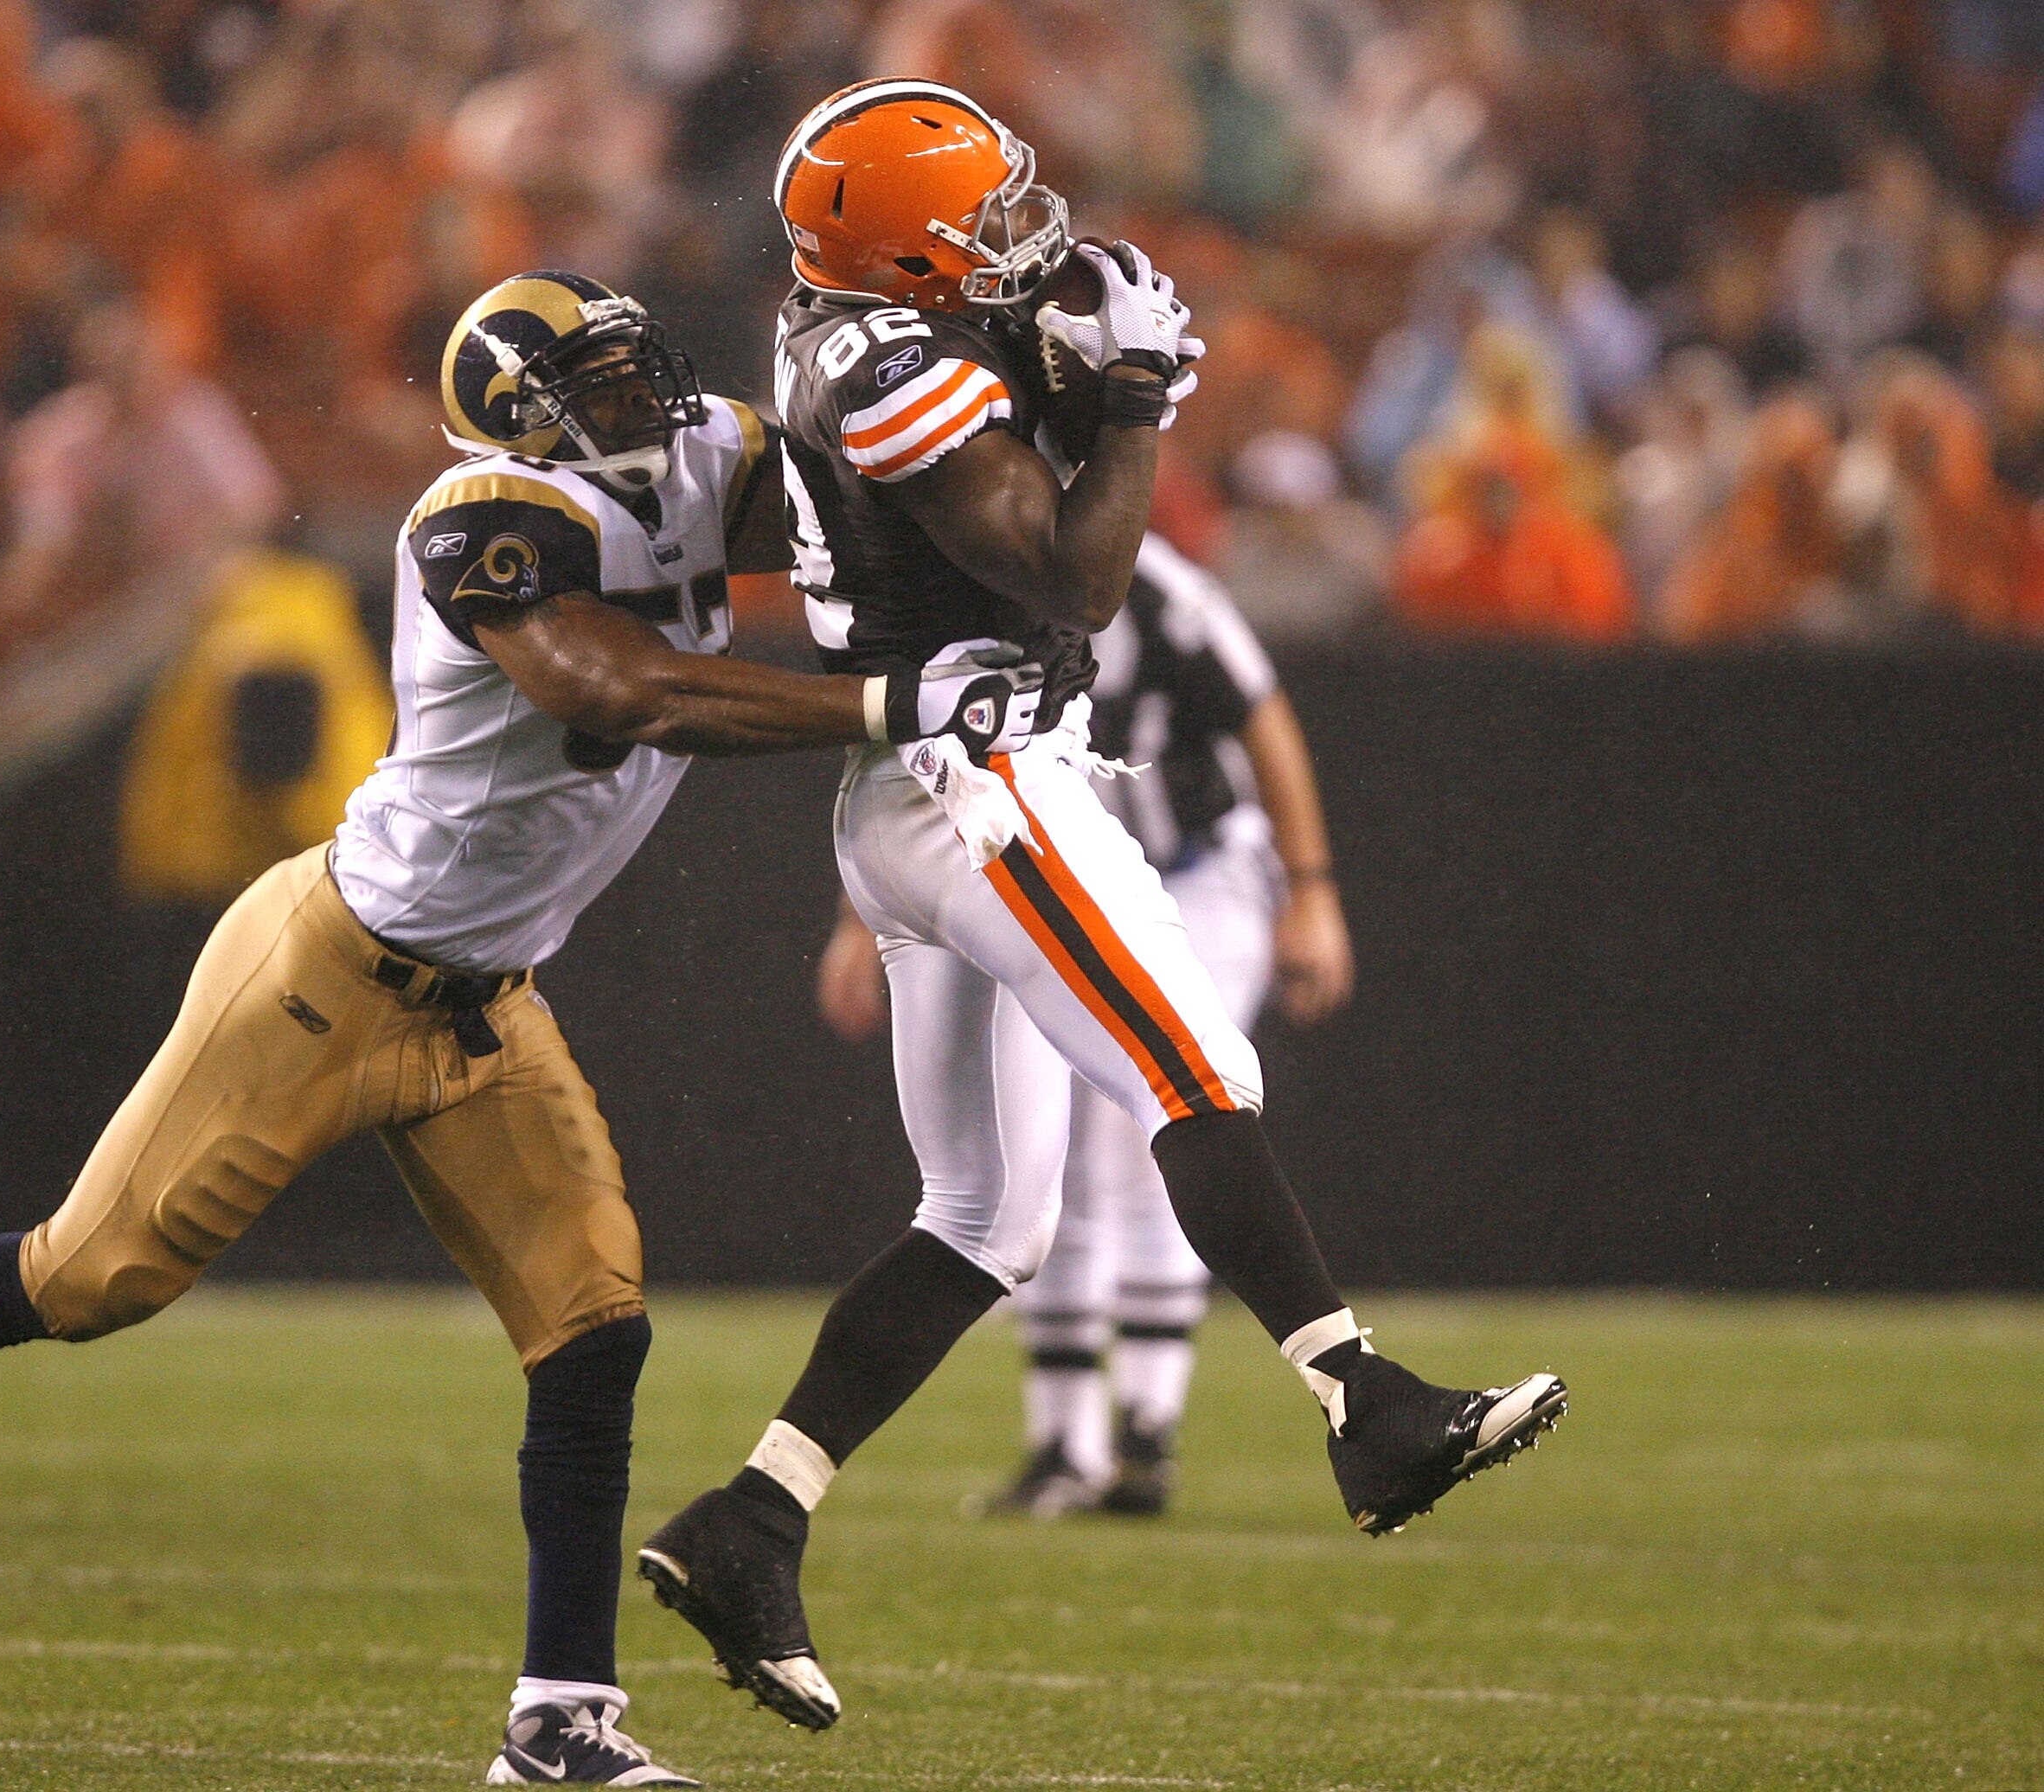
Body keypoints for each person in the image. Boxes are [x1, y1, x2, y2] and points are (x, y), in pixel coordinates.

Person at [0, 271, 1068, 1786]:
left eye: (638, 372)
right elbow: (622, 686)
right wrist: (891, 708)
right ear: (520, 426)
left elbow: (864, 508)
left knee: (594, 1326)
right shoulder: (480, 523)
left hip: (489, 999)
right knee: (89, 1274)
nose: (645, 405)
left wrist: (1020, 410)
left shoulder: (704, 445)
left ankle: (558, 1720)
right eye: (598, 390)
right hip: (329, 973)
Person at [637, 80, 1567, 1732]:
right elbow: (1070, 573)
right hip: (978, 779)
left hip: (935, 786)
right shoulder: (885, 366)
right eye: (977, 222)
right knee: (1193, 1064)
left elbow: (1014, 442)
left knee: (986, 1223)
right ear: (897, 256)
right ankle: (1364, 1399)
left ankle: (750, 1516)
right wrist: (1124, 401)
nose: (1015, 234)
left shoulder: (868, 327)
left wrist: (1070, 361)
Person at [819, 532, 1355, 1520]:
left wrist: (1311, 887)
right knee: (1044, 1158)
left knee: (1147, 1120)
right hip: (1030, 877)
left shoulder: (1154, 588)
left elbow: (1262, 712)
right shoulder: (963, 571)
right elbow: (918, 756)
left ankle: (1146, 1425)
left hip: (1191, 873)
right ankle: (1068, 1440)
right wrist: (867, 919)